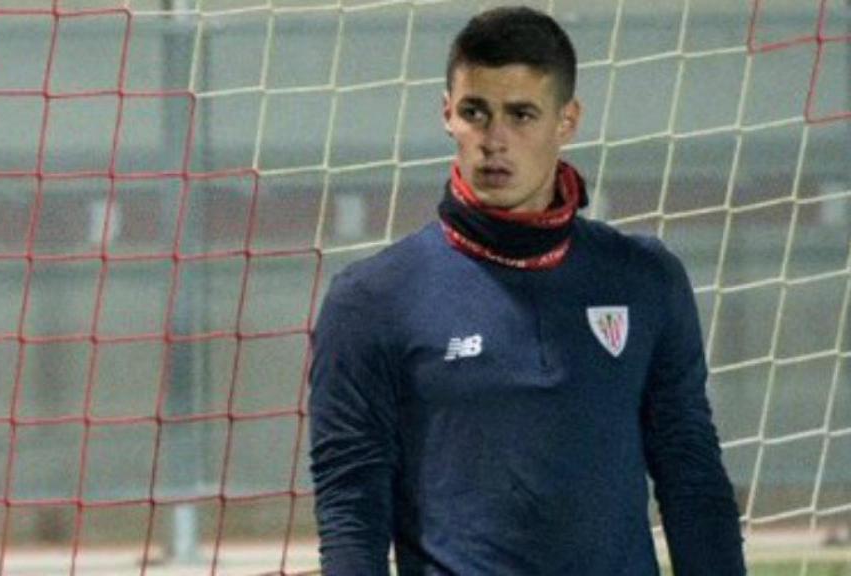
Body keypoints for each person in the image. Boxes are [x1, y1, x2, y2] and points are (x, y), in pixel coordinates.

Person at [308, 5, 746, 575]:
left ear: (566, 121)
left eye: (521, 115)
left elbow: (691, 478)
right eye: (475, 112)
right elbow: (351, 508)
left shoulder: (644, 278)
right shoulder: (372, 300)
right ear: (447, 115)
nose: (495, 140)